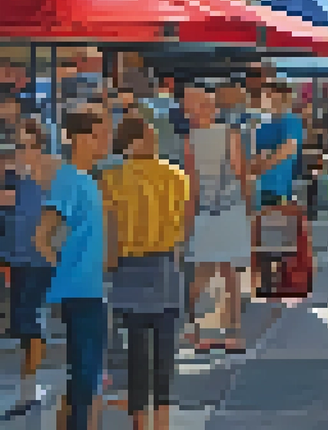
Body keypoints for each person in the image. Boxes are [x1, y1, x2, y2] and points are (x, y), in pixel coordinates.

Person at [101, 115, 189, 430]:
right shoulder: (176, 176)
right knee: (165, 351)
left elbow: (109, 231)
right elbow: (183, 227)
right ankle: (162, 421)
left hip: (128, 270)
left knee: (136, 352)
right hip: (165, 266)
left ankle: (139, 420)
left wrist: (108, 264)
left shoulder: (110, 180)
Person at [35, 109, 110, 430]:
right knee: (84, 372)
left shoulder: (87, 179)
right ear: (80, 139)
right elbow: (42, 236)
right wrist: (66, 268)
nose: (105, 141)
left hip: (91, 287)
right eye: (98, 134)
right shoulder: (69, 180)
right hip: (81, 290)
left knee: (88, 373)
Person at [182, 83, 251, 352]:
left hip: (205, 212)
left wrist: (190, 220)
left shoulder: (190, 140)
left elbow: (193, 185)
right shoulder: (230, 135)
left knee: (202, 272)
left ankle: (195, 328)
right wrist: (247, 208)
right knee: (230, 274)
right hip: (230, 209)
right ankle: (232, 331)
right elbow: (240, 174)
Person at [3, 118, 54, 408]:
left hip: (38, 255)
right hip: (17, 254)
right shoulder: (13, 171)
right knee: (23, 322)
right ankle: (28, 384)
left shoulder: (48, 170)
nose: (19, 149)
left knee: (33, 320)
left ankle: (29, 386)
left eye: (24, 144)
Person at [253, 86, 304, 208]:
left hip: (277, 189)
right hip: (255, 190)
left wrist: (260, 168)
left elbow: (288, 148)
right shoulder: (261, 125)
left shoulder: (291, 120)